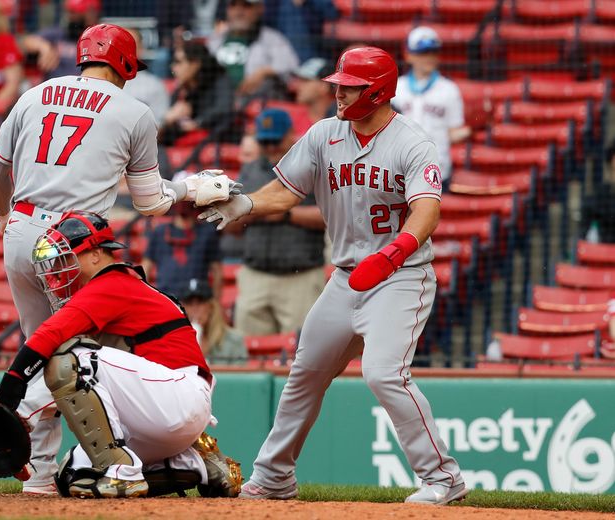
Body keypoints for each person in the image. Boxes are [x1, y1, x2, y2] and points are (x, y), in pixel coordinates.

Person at [200, 46, 467, 504]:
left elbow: (427, 210)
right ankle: (275, 475)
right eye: (338, 86)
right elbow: (285, 192)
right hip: (346, 277)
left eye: (349, 87)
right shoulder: (325, 134)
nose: (338, 94)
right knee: (305, 372)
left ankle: (443, 479)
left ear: (379, 91)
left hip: (401, 274)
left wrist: (397, 251)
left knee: (384, 373)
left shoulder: (412, 141)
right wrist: (245, 204)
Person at [0, 23, 238, 494]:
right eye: (131, 69)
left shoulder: (34, 94)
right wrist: (192, 188)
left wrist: (3, 215)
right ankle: (180, 449)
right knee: (70, 357)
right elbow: (150, 202)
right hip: (72, 245)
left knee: (44, 344)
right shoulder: (133, 110)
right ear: (123, 63)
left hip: (19, 230)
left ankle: (40, 475)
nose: (130, 77)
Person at [0, 211, 242, 498]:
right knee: (73, 476)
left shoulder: (111, 282)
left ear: (97, 254)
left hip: (176, 394)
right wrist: (19, 413)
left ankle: (124, 474)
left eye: (67, 256)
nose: (58, 269)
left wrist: (9, 393)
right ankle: (197, 463)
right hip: (157, 412)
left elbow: (49, 337)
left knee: (71, 360)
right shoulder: (116, 286)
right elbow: (62, 386)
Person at [230, 108, 325, 336]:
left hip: (300, 277)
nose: (271, 147)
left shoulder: (312, 167)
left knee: (302, 353)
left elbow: (333, 216)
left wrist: (287, 214)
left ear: (291, 134)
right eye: (265, 142)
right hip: (256, 276)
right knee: (250, 353)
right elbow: (231, 227)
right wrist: (257, 210)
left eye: (276, 140)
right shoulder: (250, 171)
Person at [393, 27, 470, 186]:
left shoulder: (449, 89)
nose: (429, 57)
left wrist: (470, 131)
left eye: (433, 52)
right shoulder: (396, 87)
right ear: (408, 55)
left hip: (437, 171)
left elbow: (454, 132)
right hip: (400, 170)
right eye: (422, 53)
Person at [207, 0, 299, 97]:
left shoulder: (272, 39)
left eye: (246, 6)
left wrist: (264, 72)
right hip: (217, 100)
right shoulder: (216, 39)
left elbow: (292, 67)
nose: (238, 12)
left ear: (260, 9)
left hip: (257, 102)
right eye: (233, 5)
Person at [160, 41, 236, 146]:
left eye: (178, 62)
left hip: (216, 141)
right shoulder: (181, 90)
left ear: (195, 64)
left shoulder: (220, 80)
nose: (173, 67)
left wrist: (197, 123)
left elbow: (224, 108)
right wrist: (169, 120)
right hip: (183, 143)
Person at [142, 198, 222, 296]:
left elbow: (216, 270)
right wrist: (145, 295)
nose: (183, 206)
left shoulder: (207, 233)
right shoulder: (159, 232)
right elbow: (146, 267)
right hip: (166, 294)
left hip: (197, 297)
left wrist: (216, 301)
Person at [20, 0, 101, 81]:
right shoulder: (60, 34)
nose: (70, 17)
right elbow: (26, 41)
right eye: (69, 12)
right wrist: (44, 47)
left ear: (91, 14)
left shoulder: (100, 40)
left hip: (85, 89)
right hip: (56, 89)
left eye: (74, 13)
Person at [176, 278, 247, 365]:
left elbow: (240, 376)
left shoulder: (233, 341)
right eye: (189, 303)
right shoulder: (173, 342)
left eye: (200, 302)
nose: (195, 309)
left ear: (211, 307)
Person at [123, 28, 171, 123]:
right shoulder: (101, 82)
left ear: (141, 49)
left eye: (131, 44)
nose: (125, 48)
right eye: (122, 43)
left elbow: (160, 125)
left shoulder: (154, 85)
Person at [293, 57, 336, 123]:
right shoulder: (292, 120)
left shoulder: (344, 122)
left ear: (324, 86)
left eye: (305, 80)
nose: (297, 86)